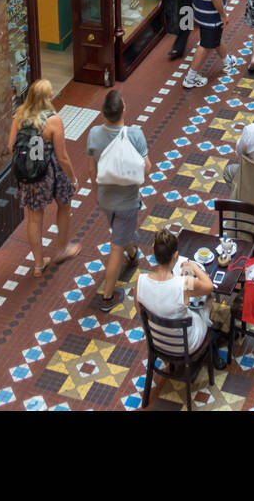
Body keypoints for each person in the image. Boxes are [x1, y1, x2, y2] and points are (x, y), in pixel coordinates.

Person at [87, 89, 151, 312]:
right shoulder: (135, 134)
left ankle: (133, 253)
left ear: (103, 112)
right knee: (116, 247)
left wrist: (96, 192)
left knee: (121, 231)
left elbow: (91, 167)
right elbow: (147, 167)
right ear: (124, 109)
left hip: (105, 199)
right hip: (127, 200)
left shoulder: (94, 134)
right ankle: (107, 297)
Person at [9, 79, 78, 275]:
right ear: (47, 98)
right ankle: (62, 248)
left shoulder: (19, 117)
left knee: (34, 217)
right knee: (64, 205)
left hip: (29, 174)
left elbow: (10, 147)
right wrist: (72, 178)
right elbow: (62, 156)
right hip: (51, 171)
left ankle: (38, 264)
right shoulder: (53, 120)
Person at [135, 228, 217, 357]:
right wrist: (193, 267)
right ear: (175, 255)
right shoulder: (184, 284)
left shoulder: (140, 281)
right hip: (186, 346)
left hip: (156, 341)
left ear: (155, 255)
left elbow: (140, 312)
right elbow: (209, 286)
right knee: (208, 300)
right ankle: (213, 349)